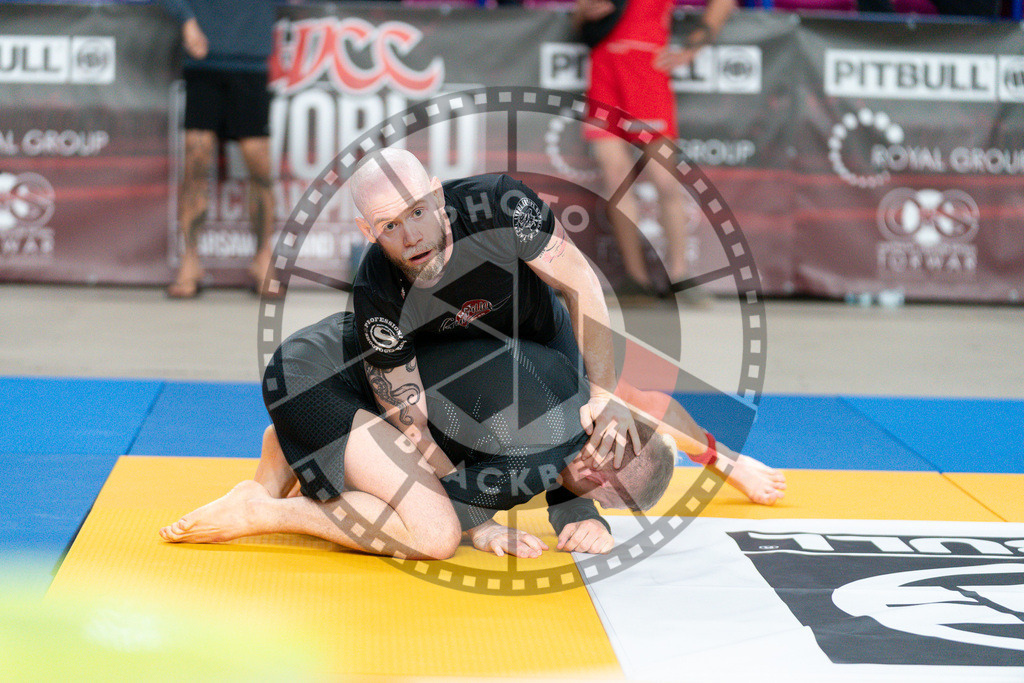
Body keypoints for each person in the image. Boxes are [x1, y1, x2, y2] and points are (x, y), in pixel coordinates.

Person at [159, 149, 785, 558]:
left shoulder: (501, 213)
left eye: (418, 215)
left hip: (478, 376)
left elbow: (591, 300)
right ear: (369, 233)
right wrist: (474, 521)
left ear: (439, 194)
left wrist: (721, 460)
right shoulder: (380, 283)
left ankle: (289, 460)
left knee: (556, 420)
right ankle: (277, 492)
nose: (411, 237)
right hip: (341, 378)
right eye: (389, 227)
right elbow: (417, 429)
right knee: (433, 527)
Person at [575, 0, 735, 299]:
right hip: (604, 71)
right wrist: (588, 9)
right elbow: (578, 18)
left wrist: (693, 47)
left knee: (664, 181)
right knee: (616, 181)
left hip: (647, 72)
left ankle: (679, 276)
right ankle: (636, 281)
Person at [157, 0, 278, 298]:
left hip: (251, 63)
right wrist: (186, 19)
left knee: (259, 164)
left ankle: (263, 257)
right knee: (196, 160)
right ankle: (191, 259)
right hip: (203, 62)